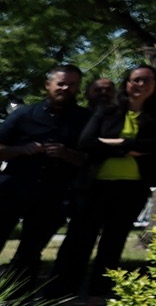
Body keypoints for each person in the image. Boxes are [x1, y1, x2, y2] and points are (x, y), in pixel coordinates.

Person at [66, 65, 156, 292]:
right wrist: (131, 149)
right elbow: (87, 142)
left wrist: (117, 143)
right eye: (136, 80)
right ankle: (65, 300)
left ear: (155, 85)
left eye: (148, 80)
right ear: (127, 83)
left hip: (133, 189)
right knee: (80, 243)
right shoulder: (108, 110)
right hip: (95, 185)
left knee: (112, 246)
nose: (141, 84)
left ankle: (95, 300)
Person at [0, 66, 90, 284]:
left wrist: (66, 153)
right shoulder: (24, 114)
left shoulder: (85, 119)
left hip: (54, 195)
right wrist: (22, 150)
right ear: (48, 85)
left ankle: (18, 304)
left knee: (30, 251)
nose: (65, 88)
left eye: (72, 84)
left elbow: (92, 159)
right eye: (61, 83)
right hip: (12, 189)